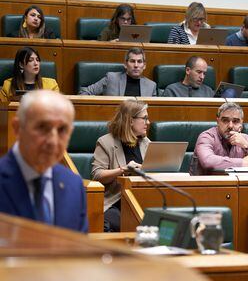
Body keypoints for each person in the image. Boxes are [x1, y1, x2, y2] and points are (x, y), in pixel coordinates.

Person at [0, 90, 88, 232]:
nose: (53, 141)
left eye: (62, 130)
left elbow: (79, 253)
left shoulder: (74, 185)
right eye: (42, 127)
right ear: (17, 128)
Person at [92, 99, 151, 232]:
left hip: (143, 199)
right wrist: (123, 169)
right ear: (130, 120)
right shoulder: (106, 142)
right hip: (115, 201)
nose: (148, 122)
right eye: (144, 118)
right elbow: (97, 175)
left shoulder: (146, 143)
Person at [191, 102, 248, 175]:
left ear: (241, 123)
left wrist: (246, 146)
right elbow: (207, 161)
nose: (230, 126)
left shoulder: (246, 138)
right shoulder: (206, 137)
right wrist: (242, 162)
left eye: (235, 121)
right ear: (218, 121)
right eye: (225, 120)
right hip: (205, 186)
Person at [79, 48, 156, 96]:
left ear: (144, 65)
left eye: (139, 61)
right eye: (132, 61)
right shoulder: (111, 78)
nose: (136, 65)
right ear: (125, 64)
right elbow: (84, 92)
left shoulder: (151, 86)